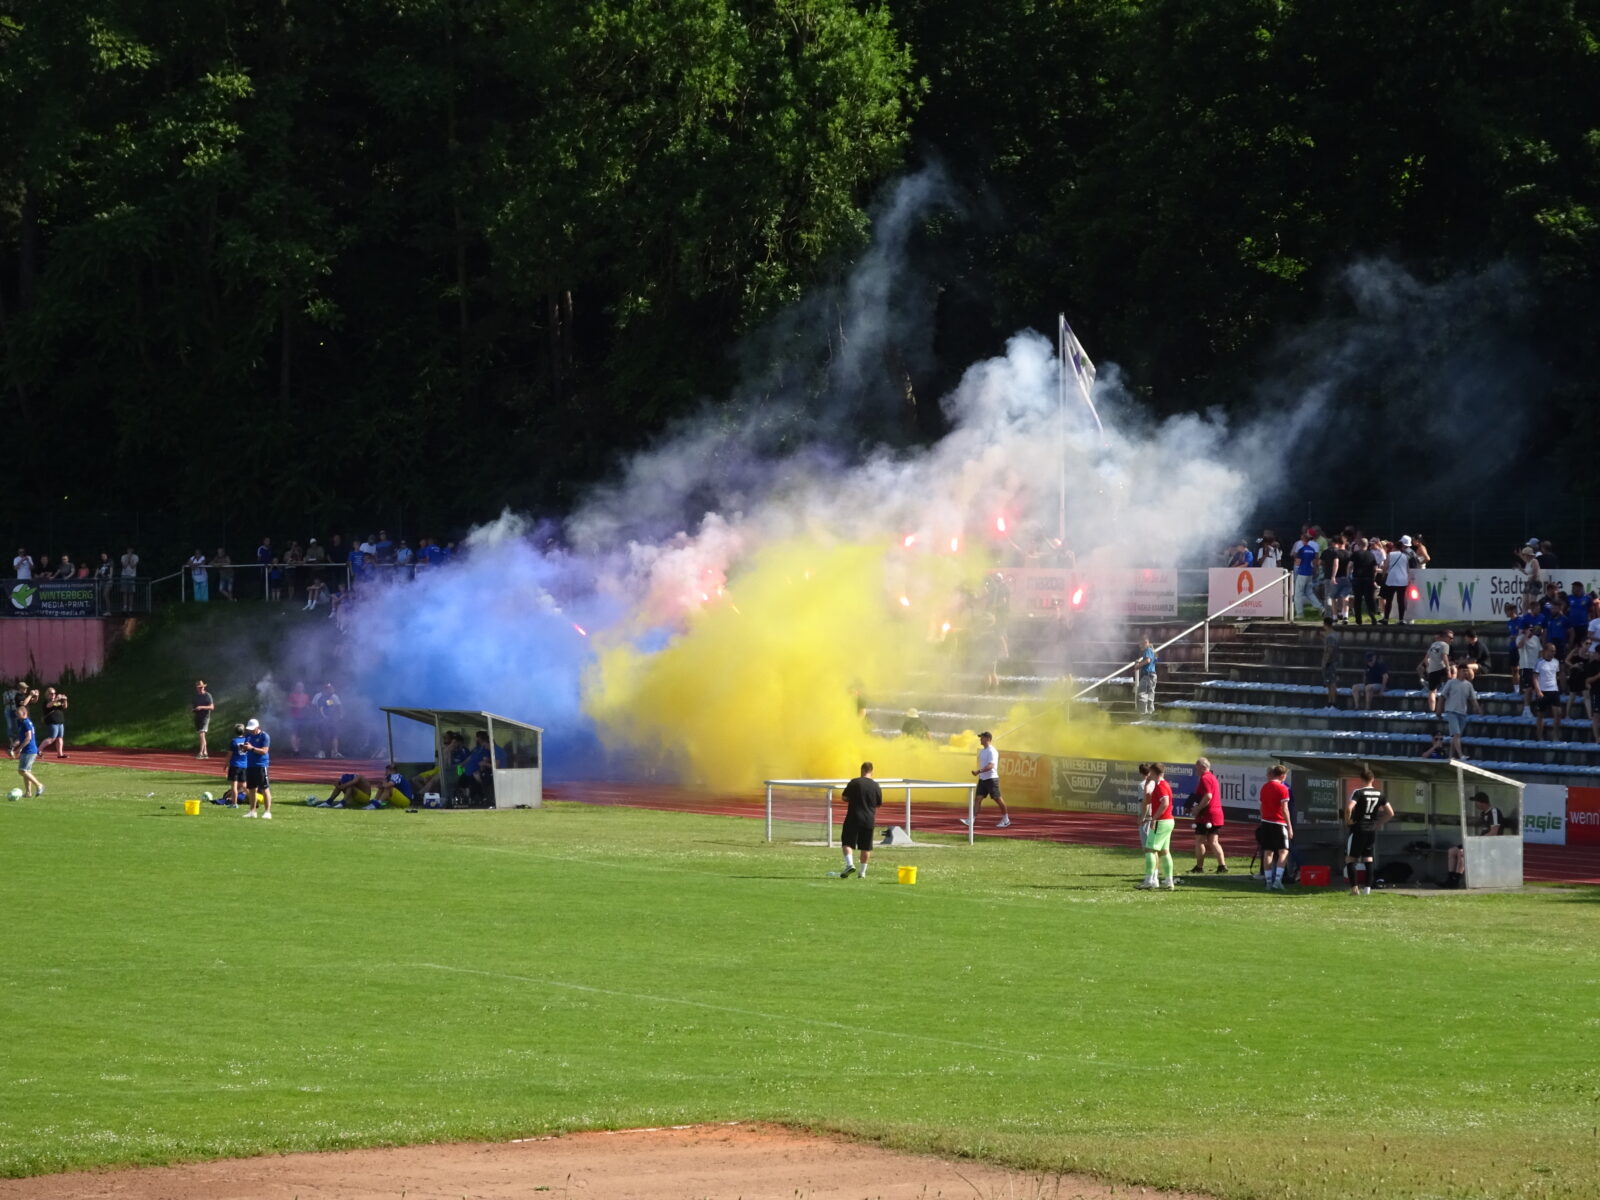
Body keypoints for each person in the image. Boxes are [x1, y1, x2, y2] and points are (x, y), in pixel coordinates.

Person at [1341, 764, 1393, 896]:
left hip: (1358, 828)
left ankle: (1354, 889)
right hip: (1371, 829)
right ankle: (1367, 889)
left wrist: (1348, 821)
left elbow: (1349, 808)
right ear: (1373, 779)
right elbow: (1390, 813)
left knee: (1350, 858)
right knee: (1368, 858)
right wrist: (1378, 823)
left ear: (1361, 779)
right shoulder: (1380, 794)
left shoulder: (1358, 792)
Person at [1445, 793, 1508, 887]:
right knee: (1452, 851)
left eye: (1476, 802)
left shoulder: (1494, 811)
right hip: (1481, 842)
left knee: (1462, 853)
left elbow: (1494, 832)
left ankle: (1456, 881)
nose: (1475, 804)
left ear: (1482, 802)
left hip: (1491, 844)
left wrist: (1478, 840)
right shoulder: (1483, 813)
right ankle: (1450, 879)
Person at [836, 761, 882, 878]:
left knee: (847, 842)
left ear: (862, 770)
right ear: (871, 771)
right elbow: (878, 803)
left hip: (854, 817)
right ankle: (862, 873)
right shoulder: (876, 786)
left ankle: (850, 864)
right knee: (866, 847)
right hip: (869, 819)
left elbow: (844, 797)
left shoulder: (854, 782)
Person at [1137, 761, 1177, 890]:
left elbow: (1165, 802)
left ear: (1153, 772)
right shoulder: (1162, 784)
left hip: (1161, 821)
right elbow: (1148, 800)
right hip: (1168, 821)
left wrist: (1154, 819)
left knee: (1150, 849)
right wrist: (1147, 786)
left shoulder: (1160, 786)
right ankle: (1169, 881)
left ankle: (1150, 881)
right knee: (1164, 851)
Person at [961, 731, 1010, 828]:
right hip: (983, 779)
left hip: (991, 779)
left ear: (987, 739)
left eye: (982, 738)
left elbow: (991, 765)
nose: (980, 739)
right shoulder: (983, 751)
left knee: (998, 799)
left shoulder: (992, 751)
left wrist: (979, 771)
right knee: (977, 799)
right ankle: (971, 820)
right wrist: (980, 773)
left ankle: (1006, 819)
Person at [1256, 764, 1293, 891]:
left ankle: (1268, 882)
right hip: (1279, 823)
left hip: (1266, 822)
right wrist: (1289, 827)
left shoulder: (1264, 787)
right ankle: (1277, 880)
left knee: (1268, 852)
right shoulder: (1283, 789)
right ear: (1282, 775)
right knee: (1284, 851)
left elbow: (1261, 807)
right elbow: (1285, 809)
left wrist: (1263, 818)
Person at [1188, 756, 1227, 873]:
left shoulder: (1205, 778)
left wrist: (1197, 808)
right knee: (1213, 841)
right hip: (1216, 814)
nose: (1196, 771)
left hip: (1206, 815)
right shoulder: (1212, 777)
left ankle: (1199, 867)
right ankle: (1222, 866)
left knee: (1199, 840)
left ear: (1203, 767)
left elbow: (1208, 796)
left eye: (1197, 768)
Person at [1438, 664, 1482, 760]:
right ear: (1458, 671)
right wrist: (1439, 709)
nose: (1465, 673)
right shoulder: (1451, 683)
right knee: (1457, 734)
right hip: (1451, 711)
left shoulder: (1469, 685)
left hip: (1462, 712)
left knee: (1456, 736)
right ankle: (1461, 755)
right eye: (1463, 670)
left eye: (1466, 671)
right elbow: (1442, 696)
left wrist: (1478, 709)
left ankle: (1450, 756)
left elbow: (1473, 699)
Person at [1532, 640, 1564, 741]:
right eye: (1551, 651)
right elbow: (1535, 677)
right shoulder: (1539, 663)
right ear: (1545, 651)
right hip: (1543, 691)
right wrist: (1538, 691)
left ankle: (1555, 736)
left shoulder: (1556, 662)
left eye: (1554, 651)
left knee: (1558, 714)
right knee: (1541, 715)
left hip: (1554, 690)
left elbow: (1556, 675)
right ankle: (1540, 736)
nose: (1553, 653)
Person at [241, 718, 273, 818]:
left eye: (252, 729)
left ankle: (267, 812)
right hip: (250, 765)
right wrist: (244, 748)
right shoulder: (248, 736)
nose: (251, 730)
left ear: (257, 727)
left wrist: (252, 748)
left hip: (261, 765)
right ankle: (252, 811)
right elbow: (246, 749)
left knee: (264, 788)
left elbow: (264, 751)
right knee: (251, 789)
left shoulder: (264, 736)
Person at [1420, 629, 1454, 714]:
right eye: (1450, 638)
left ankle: (1432, 710)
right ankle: (1450, 686)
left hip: (1432, 669)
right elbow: (1445, 658)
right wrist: (1448, 670)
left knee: (1432, 691)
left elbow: (1426, 659)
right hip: (1441, 668)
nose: (1451, 640)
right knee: (1453, 670)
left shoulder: (1433, 644)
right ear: (1444, 637)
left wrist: (1428, 667)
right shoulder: (1445, 645)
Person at [1349, 536, 1380, 625]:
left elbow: (1350, 565)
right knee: (1369, 598)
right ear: (1367, 545)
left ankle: (1358, 619)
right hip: (1368, 579)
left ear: (1359, 545)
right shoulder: (1371, 555)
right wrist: (1373, 578)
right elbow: (1375, 568)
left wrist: (1349, 574)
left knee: (1357, 599)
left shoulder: (1355, 554)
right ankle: (1372, 614)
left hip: (1357, 579)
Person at [14, 703, 43, 797]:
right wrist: (15, 745)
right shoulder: (23, 722)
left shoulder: (26, 722)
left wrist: (19, 749)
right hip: (28, 750)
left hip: (29, 750)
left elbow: (28, 737)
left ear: (24, 713)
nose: (17, 715)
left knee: (22, 771)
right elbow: (22, 738)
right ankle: (28, 792)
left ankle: (39, 785)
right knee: (26, 771)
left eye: (18, 713)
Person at [1380, 537, 1411, 624]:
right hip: (1402, 581)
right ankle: (1401, 619)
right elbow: (1407, 569)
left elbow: (1385, 567)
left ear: (1394, 547)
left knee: (1389, 600)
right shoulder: (1405, 556)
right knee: (1401, 601)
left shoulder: (1390, 554)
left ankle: (1386, 619)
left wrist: (1383, 574)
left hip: (1391, 580)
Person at [1291, 534, 1322, 620]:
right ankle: (1320, 607)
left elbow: (1297, 562)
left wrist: (1296, 568)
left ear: (1302, 540)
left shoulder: (1301, 550)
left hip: (1302, 572)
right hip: (1309, 573)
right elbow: (1315, 561)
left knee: (1298, 594)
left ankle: (1300, 614)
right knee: (1309, 592)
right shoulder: (1312, 549)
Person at [36, 686, 68, 759]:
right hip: (52, 722)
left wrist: (65, 700)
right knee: (52, 738)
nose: (53, 695)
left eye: (54, 693)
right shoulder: (46, 702)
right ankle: (38, 750)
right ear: (47, 694)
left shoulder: (57, 702)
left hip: (60, 722)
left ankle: (60, 754)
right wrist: (57, 699)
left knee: (60, 738)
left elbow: (65, 707)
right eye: (51, 693)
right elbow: (49, 705)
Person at [312, 682, 343, 758]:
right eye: (329, 688)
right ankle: (321, 752)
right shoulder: (319, 697)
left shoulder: (331, 698)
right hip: (321, 720)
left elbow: (333, 707)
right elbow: (319, 708)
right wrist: (321, 717)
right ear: (325, 689)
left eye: (331, 688)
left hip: (331, 720)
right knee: (321, 736)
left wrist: (339, 716)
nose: (331, 690)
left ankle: (335, 752)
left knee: (334, 735)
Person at [221, 723, 249, 805]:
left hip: (235, 765)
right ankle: (253, 799)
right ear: (244, 731)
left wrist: (226, 764)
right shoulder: (247, 741)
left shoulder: (234, 741)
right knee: (244, 786)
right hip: (244, 765)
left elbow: (229, 754)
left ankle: (234, 803)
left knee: (234, 786)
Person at [189, 679, 216, 758]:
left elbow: (212, 707)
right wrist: (194, 709)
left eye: (202, 687)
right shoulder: (195, 697)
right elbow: (194, 706)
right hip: (198, 717)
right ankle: (205, 752)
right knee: (202, 735)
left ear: (204, 687)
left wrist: (201, 707)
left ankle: (200, 752)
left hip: (205, 717)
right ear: (197, 688)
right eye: (199, 687)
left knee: (201, 734)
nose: (201, 688)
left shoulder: (208, 695)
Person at [1320, 616, 1341, 709]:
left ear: (1325, 624)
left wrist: (1324, 662)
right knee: (1330, 682)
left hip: (1331, 662)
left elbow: (1329, 650)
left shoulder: (1330, 637)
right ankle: (1330, 701)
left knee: (1331, 683)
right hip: (1335, 660)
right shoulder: (1335, 634)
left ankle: (1332, 702)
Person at [1135, 636, 1157, 714]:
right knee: (1150, 694)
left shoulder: (1148, 650)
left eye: (1140, 644)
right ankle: (1150, 712)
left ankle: (1142, 713)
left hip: (1147, 676)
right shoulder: (1152, 651)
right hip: (1152, 676)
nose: (1139, 646)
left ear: (1145, 643)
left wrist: (1138, 665)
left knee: (1142, 694)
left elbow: (1147, 660)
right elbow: (1156, 660)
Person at [118, 546, 139, 611]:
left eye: (130, 549)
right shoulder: (123, 556)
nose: (129, 551)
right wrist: (128, 558)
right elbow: (124, 566)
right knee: (124, 592)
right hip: (124, 575)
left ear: (132, 550)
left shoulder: (136, 557)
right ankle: (125, 606)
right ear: (127, 550)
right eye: (128, 549)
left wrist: (130, 558)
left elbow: (132, 566)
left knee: (131, 592)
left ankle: (130, 607)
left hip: (132, 576)